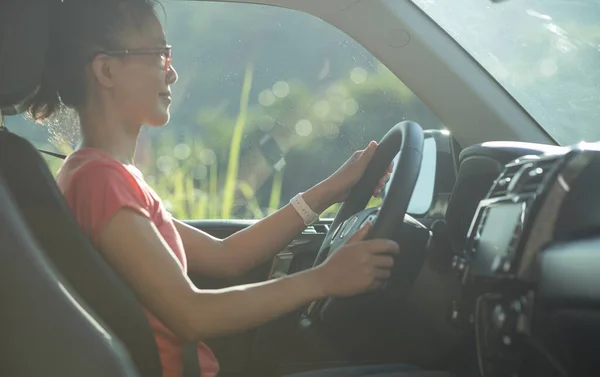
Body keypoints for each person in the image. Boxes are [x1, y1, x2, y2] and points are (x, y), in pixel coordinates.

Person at [27, 1, 454, 377]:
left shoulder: (107, 176)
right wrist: (324, 279)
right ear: (106, 70)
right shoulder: (99, 181)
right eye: (158, 53)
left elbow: (226, 258)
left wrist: (331, 189)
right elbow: (192, 315)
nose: (171, 71)